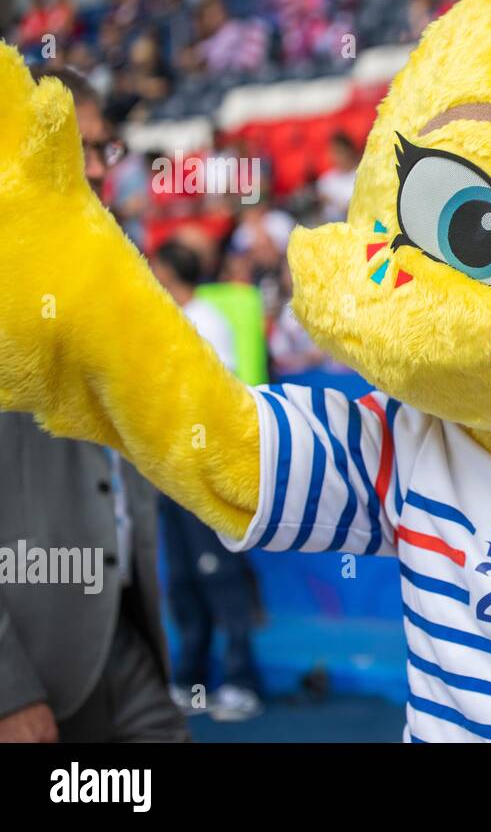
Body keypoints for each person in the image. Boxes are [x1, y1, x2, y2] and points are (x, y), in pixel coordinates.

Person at [0, 68, 186, 743]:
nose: (97, 170)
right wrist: (6, 686)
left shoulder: (114, 273)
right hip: (31, 658)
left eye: (101, 148)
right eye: (75, 146)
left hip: (126, 627)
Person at [150, 239, 264, 723]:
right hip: (165, 468)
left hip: (202, 469)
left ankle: (241, 683)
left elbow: (218, 394)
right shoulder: (159, 322)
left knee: (220, 573)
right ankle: (190, 682)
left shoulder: (207, 321)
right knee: (181, 577)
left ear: (171, 273)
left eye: (155, 267)